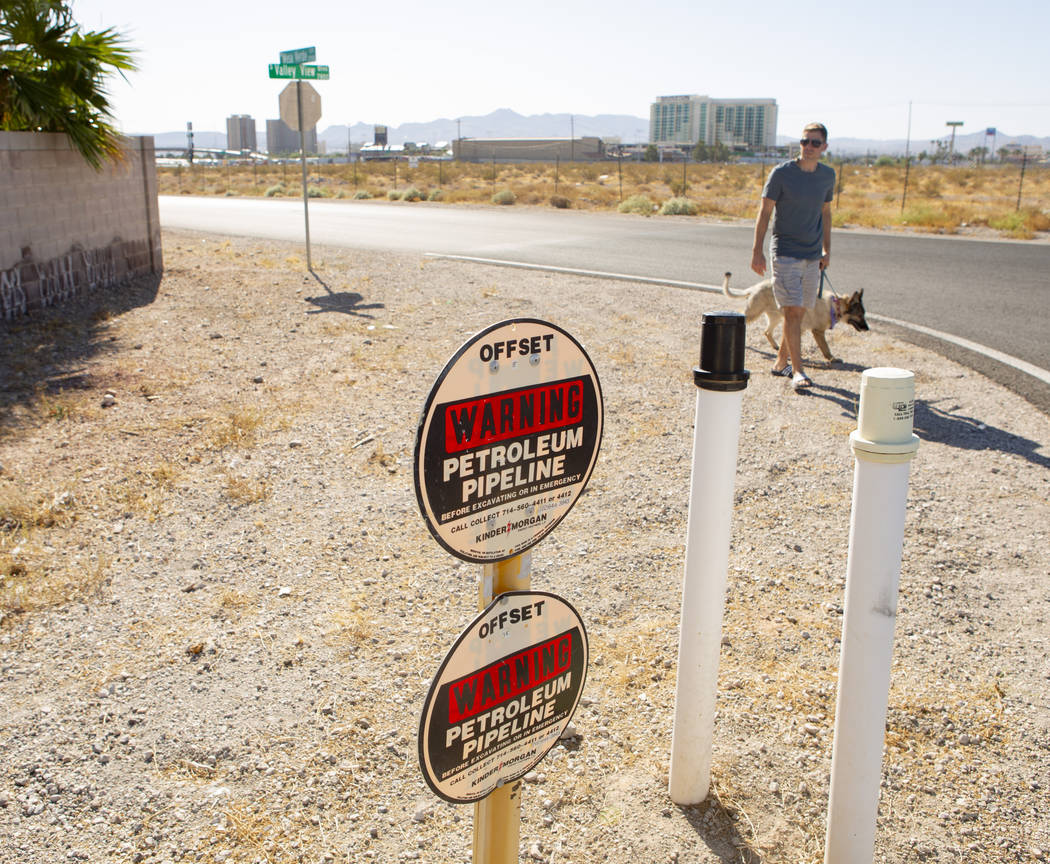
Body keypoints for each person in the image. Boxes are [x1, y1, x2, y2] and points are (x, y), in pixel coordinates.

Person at [751, 123, 835, 392]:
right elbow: (764, 213)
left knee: (799, 311)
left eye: (814, 143)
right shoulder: (782, 174)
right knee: (793, 311)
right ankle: (798, 371)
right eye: (804, 141)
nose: (808, 147)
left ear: (824, 147)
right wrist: (757, 250)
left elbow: (826, 213)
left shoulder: (827, 176)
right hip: (786, 252)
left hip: (812, 255)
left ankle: (780, 363)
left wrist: (826, 249)